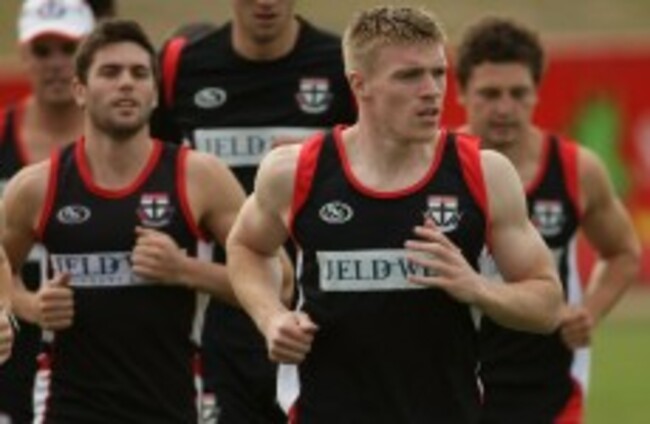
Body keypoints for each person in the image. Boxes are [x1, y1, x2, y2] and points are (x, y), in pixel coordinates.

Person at [226, 5, 564, 423]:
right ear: (360, 84)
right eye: (409, 76)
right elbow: (246, 246)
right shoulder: (296, 171)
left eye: (438, 73)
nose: (431, 90)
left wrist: (478, 288)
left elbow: (548, 305)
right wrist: (271, 317)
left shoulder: (483, 173)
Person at [2, 19, 247, 423]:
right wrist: (30, 306)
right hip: (67, 407)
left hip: (172, 407)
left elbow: (277, 281)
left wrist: (185, 270)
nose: (126, 84)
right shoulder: (38, 185)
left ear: (155, 92)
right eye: (110, 72)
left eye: (139, 73)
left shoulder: (199, 176)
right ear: (80, 90)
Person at [151, 0, 356, 422]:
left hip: (318, 320)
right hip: (215, 327)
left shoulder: (341, 64)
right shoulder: (182, 67)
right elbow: (155, 169)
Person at [454, 17, 642, 423]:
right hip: (455, 389)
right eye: (490, 93)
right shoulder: (438, 169)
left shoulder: (576, 170)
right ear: (462, 92)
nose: (505, 107)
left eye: (518, 93)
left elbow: (624, 252)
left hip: (548, 392)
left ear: (537, 92)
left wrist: (589, 311)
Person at [0, 1, 95, 422]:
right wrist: (22, 303)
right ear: (23, 54)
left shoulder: (121, 142)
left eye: (68, 48)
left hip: (99, 353)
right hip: (9, 352)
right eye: (42, 50)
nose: (56, 63)